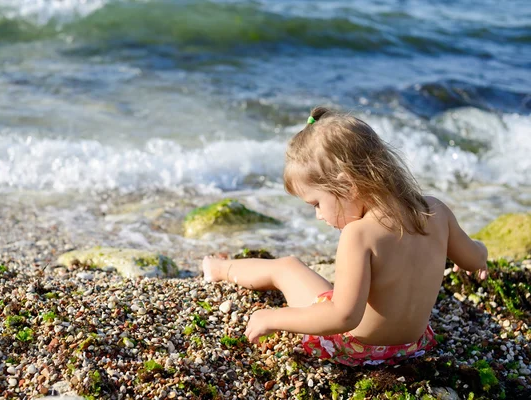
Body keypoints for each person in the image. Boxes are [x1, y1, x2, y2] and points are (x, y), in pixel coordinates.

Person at [202, 107, 489, 366]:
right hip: (412, 347)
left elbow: (343, 317)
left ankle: (218, 269)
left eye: (317, 204)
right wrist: (482, 254)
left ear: (347, 186)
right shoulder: (436, 211)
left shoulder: (359, 234)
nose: (319, 215)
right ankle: (221, 268)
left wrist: (272, 317)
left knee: (287, 267)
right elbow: (473, 258)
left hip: (355, 349)